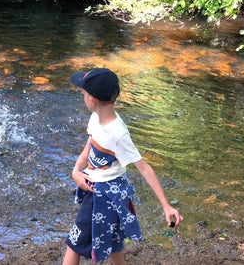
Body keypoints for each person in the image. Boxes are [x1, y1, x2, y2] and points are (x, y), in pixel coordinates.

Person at [62, 68, 183, 264]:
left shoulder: (117, 134)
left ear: (92, 98)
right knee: (114, 246)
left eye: (83, 94)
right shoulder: (96, 119)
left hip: (103, 196)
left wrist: (166, 205)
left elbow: (144, 168)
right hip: (109, 193)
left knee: (74, 242)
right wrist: (76, 171)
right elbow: (88, 150)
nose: (82, 97)